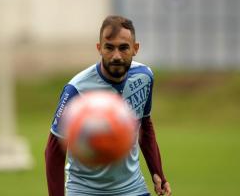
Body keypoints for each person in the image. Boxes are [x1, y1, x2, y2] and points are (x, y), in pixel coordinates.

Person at [45, 15, 172, 196]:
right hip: (85, 191)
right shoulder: (76, 89)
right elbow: (54, 151)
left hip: (132, 189)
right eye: (109, 47)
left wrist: (157, 172)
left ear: (135, 48)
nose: (116, 56)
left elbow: (145, 125)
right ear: (99, 48)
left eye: (123, 47)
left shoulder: (144, 77)